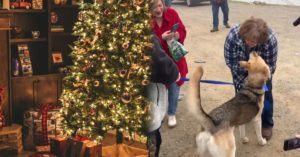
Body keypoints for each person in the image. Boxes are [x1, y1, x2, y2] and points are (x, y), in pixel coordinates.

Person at [224, 17, 278, 140]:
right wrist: (248, 70)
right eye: (248, 40)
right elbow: (230, 62)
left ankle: (267, 123)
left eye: (255, 42)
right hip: (240, 71)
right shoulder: (233, 37)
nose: (251, 45)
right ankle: (245, 116)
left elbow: (271, 67)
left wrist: (257, 76)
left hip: (261, 78)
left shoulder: (270, 40)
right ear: (243, 34)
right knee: (241, 95)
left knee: (267, 94)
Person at [150, 0, 188, 127]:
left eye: (160, 5)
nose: (158, 9)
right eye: (154, 7)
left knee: (174, 87)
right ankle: (159, 114)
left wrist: (176, 35)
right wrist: (161, 38)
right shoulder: (146, 21)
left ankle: (171, 113)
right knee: (159, 89)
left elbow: (182, 30)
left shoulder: (172, 13)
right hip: (158, 62)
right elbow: (148, 44)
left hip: (175, 59)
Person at [146, 35, 179, 157]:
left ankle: (172, 113)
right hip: (146, 113)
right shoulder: (145, 35)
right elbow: (165, 69)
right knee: (150, 143)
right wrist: (175, 73)